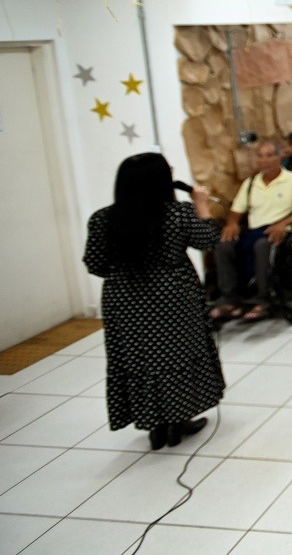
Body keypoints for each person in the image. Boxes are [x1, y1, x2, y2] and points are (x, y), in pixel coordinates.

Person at [84, 153, 222, 450]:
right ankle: (178, 420)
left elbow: (95, 264)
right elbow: (208, 240)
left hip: (124, 302)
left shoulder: (102, 219)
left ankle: (156, 426)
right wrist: (202, 205)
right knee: (178, 356)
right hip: (173, 297)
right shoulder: (178, 213)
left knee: (139, 359)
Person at [214, 140, 292, 322]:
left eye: (269, 155)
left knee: (262, 246)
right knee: (224, 245)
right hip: (253, 230)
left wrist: (283, 224)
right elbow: (237, 210)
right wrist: (232, 223)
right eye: (259, 155)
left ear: (279, 157)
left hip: (280, 231)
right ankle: (230, 298)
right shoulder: (251, 183)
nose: (263, 160)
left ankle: (264, 299)